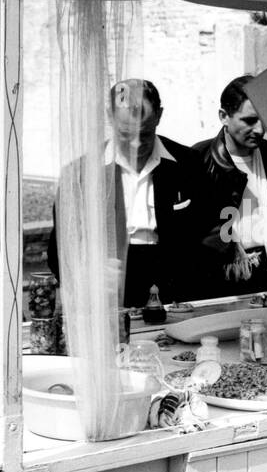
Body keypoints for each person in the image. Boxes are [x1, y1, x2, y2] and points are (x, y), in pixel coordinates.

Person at [46, 79, 214, 306]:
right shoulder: (80, 175)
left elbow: (208, 232)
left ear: (159, 116)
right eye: (125, 134)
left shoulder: (189, 163)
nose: (136, 145)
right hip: (108, 292)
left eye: (145, 134)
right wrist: (88, 274)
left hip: (176, 287)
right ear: (109, 116)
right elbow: (60, 251)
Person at [192, 75, 267, 296]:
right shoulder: (199, 158)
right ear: (223, 116)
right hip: (222, 275)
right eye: (249, 120)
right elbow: (193, 230)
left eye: (264, 119)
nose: (260, 129)